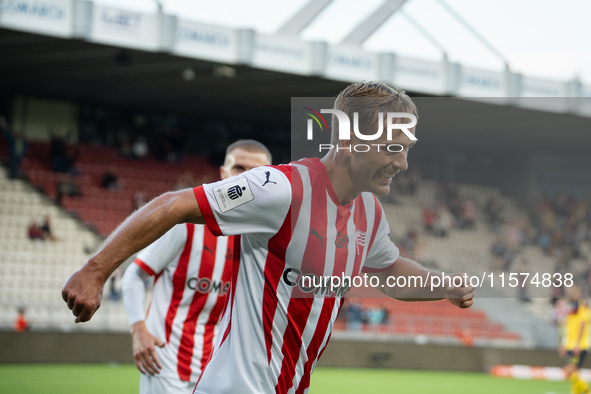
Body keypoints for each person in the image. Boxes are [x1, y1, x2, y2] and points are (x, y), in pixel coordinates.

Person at [62, 81, 475, 394]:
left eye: (406, 148)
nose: (402, 163)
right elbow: (173, 205)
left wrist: (444, 286)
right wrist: (94, 272)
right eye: (391, 147)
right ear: (348, 140)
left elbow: (390, 271)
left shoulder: (369, 212)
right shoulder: (279, 188)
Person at [122, 140, 272, 394]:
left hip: (218, 368)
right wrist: (138, 329)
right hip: (166, 361)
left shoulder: (264, 238)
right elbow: (135, 274)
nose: (245, 178)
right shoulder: (188, 224)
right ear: (223, 174)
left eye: (254, 172)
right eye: (238, 168)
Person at [560, 299, 591, 394]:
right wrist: (564, 343)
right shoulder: (571, 314)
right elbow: (568, 330)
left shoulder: (584, 311)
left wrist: (578, 344)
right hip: (570, 344)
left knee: (570, 371)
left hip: (579, 345)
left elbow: (582, 326)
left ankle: (587, 391)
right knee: (573, 373)